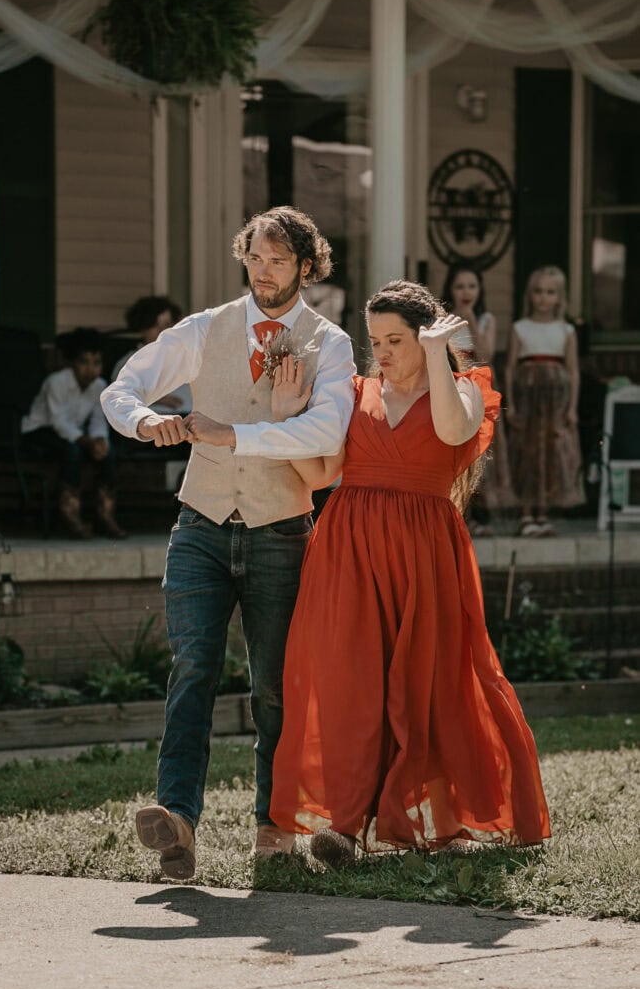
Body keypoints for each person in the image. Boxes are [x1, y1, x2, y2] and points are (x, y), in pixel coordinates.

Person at [101, 206, 356, 880]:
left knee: (273, 687)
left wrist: (230, 434)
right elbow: (121, 387)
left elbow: (324, 435)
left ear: (305, 265)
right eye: (255, 256)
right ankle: (177, 824)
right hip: (200, 527)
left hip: (281, 531)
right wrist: (145, 420)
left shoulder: (328, 344)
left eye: (278, 260)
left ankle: (272, 825)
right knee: (191, 672)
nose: (263, 271)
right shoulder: (204, 329)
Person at [267, 279, 550, 867]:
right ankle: (343, 827)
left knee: (431, 681)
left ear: (427, 338)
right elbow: (321, 474)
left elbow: (451, 431)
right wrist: (284, 417)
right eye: (377, 340)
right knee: (351, 682)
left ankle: (429, 816)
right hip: (348, 548)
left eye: (397, 340)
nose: (383, 353)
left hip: (425, 552)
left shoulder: (467, 390)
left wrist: (441, 361)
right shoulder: (354, 391)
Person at [20, 328, 126, 540]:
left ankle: (105, 513)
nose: (90, 370)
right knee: (73, 452)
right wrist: (87, 442)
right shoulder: (56, 382)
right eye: (84, 362)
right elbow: (58, 421)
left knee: (108, 452)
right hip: (40, 431)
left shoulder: (99, 386)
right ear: (72, 363)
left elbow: (98, 419)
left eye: (96, 363)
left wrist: (100, 441)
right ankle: (70, 513)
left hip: (75, 434)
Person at [504, 266, 584, 537]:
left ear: (559, 297)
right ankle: (526, 513)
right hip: (528, 397)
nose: (543, 298)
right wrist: (511, 404)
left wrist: (572, 407)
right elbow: (510, 368)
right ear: (530, 295)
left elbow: (573, 369)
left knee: (551, 453)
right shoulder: (520, 328)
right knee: (528, 452)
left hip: (555, 401)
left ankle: (544, 513)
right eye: (538, 292)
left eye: (550, 292)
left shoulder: (566, 330)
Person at [442, 263, 515, 535]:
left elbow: (486, 353)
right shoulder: (442, 320)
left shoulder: (486, 320)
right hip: (452, 385)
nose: (466, 292)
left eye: (471, 286)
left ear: (480, 290)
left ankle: (481, 513)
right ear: (451, 288)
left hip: (478, 387)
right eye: (460, 286)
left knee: (480, 448)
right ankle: (460, 512)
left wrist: (470, 317)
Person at [112, 296, 193, 417]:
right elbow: (118, 398)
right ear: (142, 328)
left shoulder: (187, 358)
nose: (162, 330)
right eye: (155, 325)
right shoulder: (130, 363)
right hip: (151, 424)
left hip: (192, 422)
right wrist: (159, 400)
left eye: (167, 324)